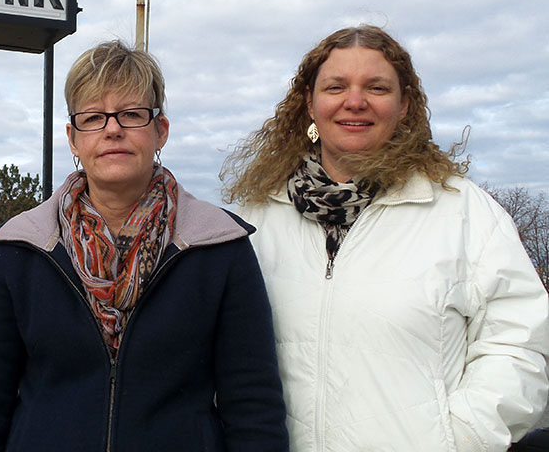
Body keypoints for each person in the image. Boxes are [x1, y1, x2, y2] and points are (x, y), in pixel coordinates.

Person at [0, 40, 289, 451]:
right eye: (93, 117)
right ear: (74, 140)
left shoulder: (219, 244)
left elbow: (253, 406)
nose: (113, 129)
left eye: (131, 114)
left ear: (160, 131)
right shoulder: (19, 248)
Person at [221, 25, 549, 451]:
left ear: (404, 104)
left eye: (376, 87)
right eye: (336, 86)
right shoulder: (256, 218)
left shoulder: (461, 210)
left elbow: (520, 345)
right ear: (310, 103)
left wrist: (462, 438)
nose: (354, 101)